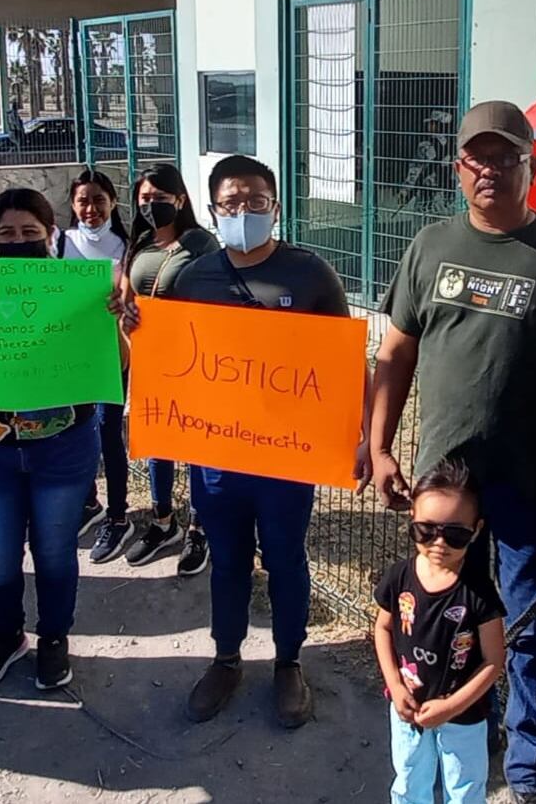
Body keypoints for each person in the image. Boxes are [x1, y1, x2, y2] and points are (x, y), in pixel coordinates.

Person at [369, 100, 536, 804]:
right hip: (446, 490)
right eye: (477, 158)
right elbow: (396, 351)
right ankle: (446, 734)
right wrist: (379, 446)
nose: (491, 171)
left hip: (532, 481)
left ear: (531, 165)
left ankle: (530, 766)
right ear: (457, 168)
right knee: (443, 619)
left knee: (528, 626)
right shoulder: (430, 245)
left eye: (506, 158)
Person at [154, 154, 368, 729]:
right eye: (230, 203)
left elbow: (345, 364)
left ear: (275, 206)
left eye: (254, 201)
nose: (243, 211)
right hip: (217, 457)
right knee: (227, 562)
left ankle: (289, 662)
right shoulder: (192, 277)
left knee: (284, 558)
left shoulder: (309, 274)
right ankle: (226, 658)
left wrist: (361, 435)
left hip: (286, 458)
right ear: (213, 209)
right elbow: (168, 359)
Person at [0, 188, 105, 691]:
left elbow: (120, 365)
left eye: (30, 232)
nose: (18, 241)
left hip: (63, 448)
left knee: (54, 552)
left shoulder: (80, 290)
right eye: (6, 234)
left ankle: (53, 639)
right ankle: (5, 637)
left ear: (51, 235)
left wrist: (114, 321)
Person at [374, 460, 506, 804]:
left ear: (476, 531)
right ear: (411, 521)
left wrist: (452, 706)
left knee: (464, 789)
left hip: (464, 716)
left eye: (456, 534)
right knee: (408, 781)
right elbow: (383, 628)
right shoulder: (399, 577)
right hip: (407, 708)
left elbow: (494, 660)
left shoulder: (478, 592)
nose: (439, 543)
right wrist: (394, 685)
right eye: (426, 530)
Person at [120, 163, 221, 576]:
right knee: (156, 444)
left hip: (194, 363)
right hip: (149, 361)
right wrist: (125, 319)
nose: (152, 205)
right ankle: (164, 522)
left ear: (180, 200)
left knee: (196, 448)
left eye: (160, 198)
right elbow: (128, 297)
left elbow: (220, 294)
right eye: (145, 198)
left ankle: (200, 529)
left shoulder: (199, 243)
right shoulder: (140, 242)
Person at [55, 169, 135, 562]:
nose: (91, 208)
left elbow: (133, 301)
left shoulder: (126, 248)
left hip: (111, 356)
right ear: (72, 204)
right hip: (69, 355)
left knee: (107, 431)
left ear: (113, 203)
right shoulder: (59, 244)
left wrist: (122, 306)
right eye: (83, 200)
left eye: (99, 200)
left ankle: (119, 517)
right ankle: (89, 502)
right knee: (74, 428)